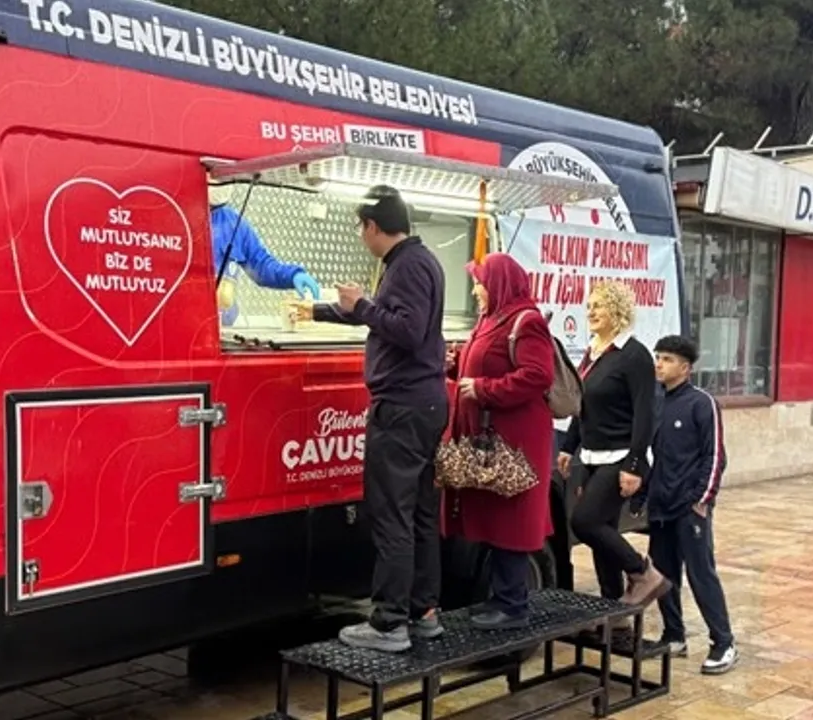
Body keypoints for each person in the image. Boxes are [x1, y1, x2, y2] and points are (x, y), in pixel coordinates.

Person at [298, 185, 448, 652]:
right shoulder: (416, 260)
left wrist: (362, 304)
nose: (361, 236)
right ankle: (423, 611)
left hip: (402, 408)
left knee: (392, 515)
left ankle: (388, 623)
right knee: (419, 514)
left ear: (372, 226)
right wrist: (320, 311)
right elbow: (388, 318)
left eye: (361, 227)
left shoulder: (407, 266)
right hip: (421, 405)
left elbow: (407, 330)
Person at [443, 253, 555, 629]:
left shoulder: (527, 321)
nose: (476, 290)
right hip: (490, 440)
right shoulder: (491, 318)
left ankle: (513, 605)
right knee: (494, 518)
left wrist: (485, 389)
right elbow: (483, 362)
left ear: (499, 284)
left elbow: (538, 375)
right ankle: (501, 598)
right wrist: (455, 364)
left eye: (480, 283)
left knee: (512, 521)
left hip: (515, 441)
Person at [558, 279, 670, 609]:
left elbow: (645, 414)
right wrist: (568, 446)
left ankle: (643, 572)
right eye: (589, 306)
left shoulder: (634, 355)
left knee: (585, 522)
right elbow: (582, 403)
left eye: (599, 306)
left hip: (620, 457)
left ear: (618, 310)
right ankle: (614, 609)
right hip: (591, 456)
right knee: (602, 536)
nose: (590, 311)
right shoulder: (594, 351)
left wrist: (634, 465)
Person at [646, 335, 738, 674]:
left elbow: (715, 456)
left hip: (690, 507)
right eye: (658, 357)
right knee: (663, 574)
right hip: (661, 505)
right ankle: (674, 636)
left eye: (667, 359)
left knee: (701, 575)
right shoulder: (657, 402)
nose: (659, 364)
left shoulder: (702, 403)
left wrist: (702, 499)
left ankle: (724, 643)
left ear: (685, 368)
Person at [210, 185, 321, 326]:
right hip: (187, 325)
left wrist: (292, 276)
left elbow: (261, 266)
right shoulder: (183, 220)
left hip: (222, 327)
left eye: (224, 180)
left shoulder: (234, 224)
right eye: (213, 178)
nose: (221, 184)